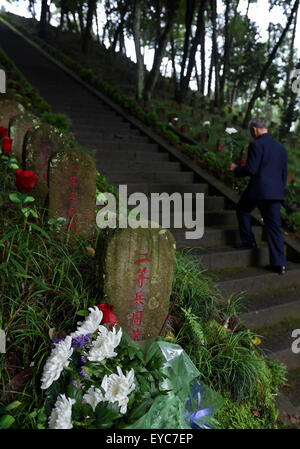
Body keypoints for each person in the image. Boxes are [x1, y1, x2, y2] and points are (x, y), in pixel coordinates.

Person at [229, 117, 288, 275]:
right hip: (275, 193)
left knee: (242, 209)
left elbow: (251, 169)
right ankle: (279, 265)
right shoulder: (281, 149)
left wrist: (236, 169)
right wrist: (279, 193)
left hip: (259, 190)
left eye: (251, 131)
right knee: (274, 227)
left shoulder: (256, 145)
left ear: (255, 129)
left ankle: (249, 241)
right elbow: (284, 175)